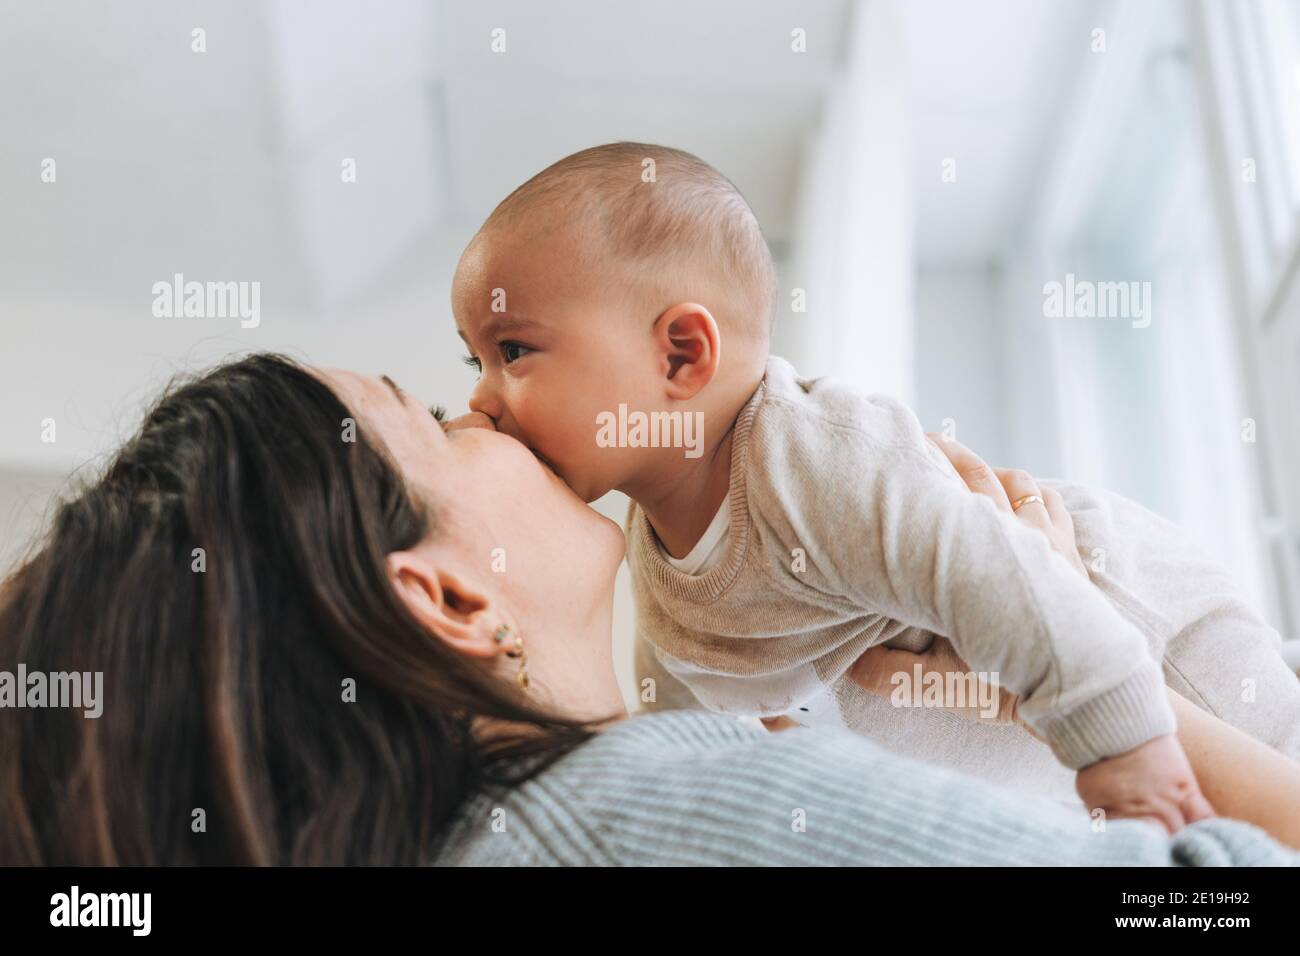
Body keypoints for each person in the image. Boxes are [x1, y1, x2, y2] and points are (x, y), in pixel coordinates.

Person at [2, 353, 1296, 865]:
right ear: (446, 594)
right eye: (438, 417)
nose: (491, 410)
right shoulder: (632, 816)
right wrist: (1104, 667)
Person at [448, 141, 1300, 825]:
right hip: (1019, 720)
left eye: (512, 350)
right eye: (475, 360)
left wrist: (1127, 752)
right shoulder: (654, 543)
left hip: (1128, 609)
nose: (481, 398)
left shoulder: (808, 457)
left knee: (1272, 741)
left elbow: (996, 573)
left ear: (681, 354)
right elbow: (679, 720)